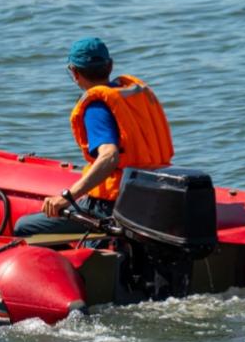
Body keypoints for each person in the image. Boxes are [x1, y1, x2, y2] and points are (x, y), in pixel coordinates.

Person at [12, 37, 174, 237]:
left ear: (75, 73)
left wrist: (67, 198)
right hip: (152, 193)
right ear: (110, 66)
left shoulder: (97, 108)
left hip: (113, 205)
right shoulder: (131, 96)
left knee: (23, 226)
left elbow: (109, 156)